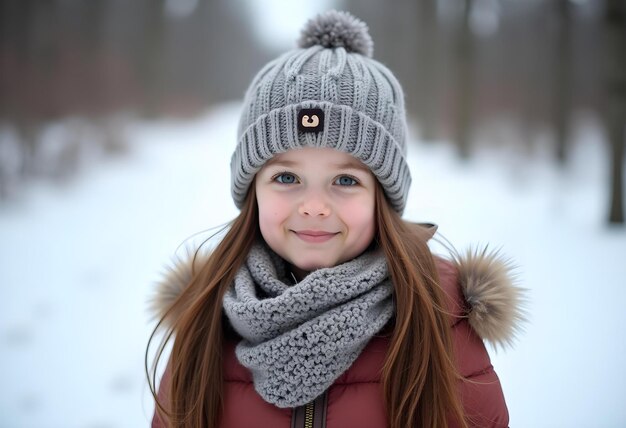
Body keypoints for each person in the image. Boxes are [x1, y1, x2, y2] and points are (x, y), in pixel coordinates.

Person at [147, 10, 526, 428]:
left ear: (382, 195)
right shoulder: (206, 316)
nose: (314, 206)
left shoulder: (442, 317)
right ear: (252, 190)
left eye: (345, 179)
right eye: (286, 177)